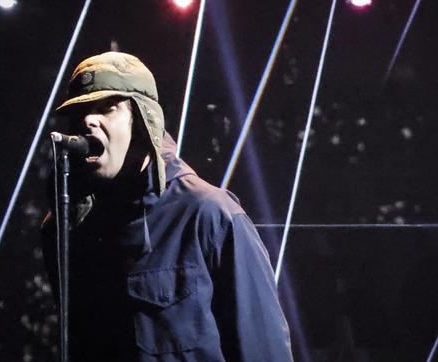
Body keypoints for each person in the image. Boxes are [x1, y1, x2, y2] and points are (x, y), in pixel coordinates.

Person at [41, 51, 293, 361]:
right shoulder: (75, 225)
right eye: (79, 113)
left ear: (145, 120)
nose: (88, 121)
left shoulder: (208, 214)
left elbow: (262, 348)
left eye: (107, 107)